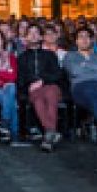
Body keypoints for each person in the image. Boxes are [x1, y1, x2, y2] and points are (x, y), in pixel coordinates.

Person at [17, 23, 66, 151]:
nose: (33, 35)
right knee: (38, 100)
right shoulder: (21, 58)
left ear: (40, 37)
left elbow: (58, 74)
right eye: (30, 33)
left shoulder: (49, 55)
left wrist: (42, 81)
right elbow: (21, 78)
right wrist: (29, 84)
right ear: (26, 37)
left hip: (50, 86)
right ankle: (51, 133)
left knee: (50, 93)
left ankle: (49, 134)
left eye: (36, 33)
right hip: (33, 89)